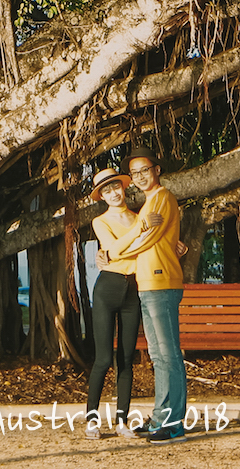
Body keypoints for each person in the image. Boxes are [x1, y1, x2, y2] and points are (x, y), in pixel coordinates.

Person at [108, 150, 186, 442]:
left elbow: (147, 240)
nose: (140, 176)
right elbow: (147, 237)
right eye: (135, 173)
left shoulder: (163, 198)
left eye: (145, 170)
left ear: (157, 169)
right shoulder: (148, 205)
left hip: (162, 282)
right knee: (158, 355)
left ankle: (173, 423)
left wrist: (112, 252)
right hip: (148, 284)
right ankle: (160, 417)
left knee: (168, 354)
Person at [83, 167, 141, 438]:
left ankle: (122, 421)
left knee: (126, 359)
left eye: (116, 187)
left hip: (133, 289)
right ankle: (91, 420)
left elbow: (139, 249)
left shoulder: (139, 217)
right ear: (102, 196)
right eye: (107, 190)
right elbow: (114, 250)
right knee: (103, 359)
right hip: (108, 288)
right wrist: (140, 235)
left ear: (124, 187)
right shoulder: (100, 221)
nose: (114, 193)